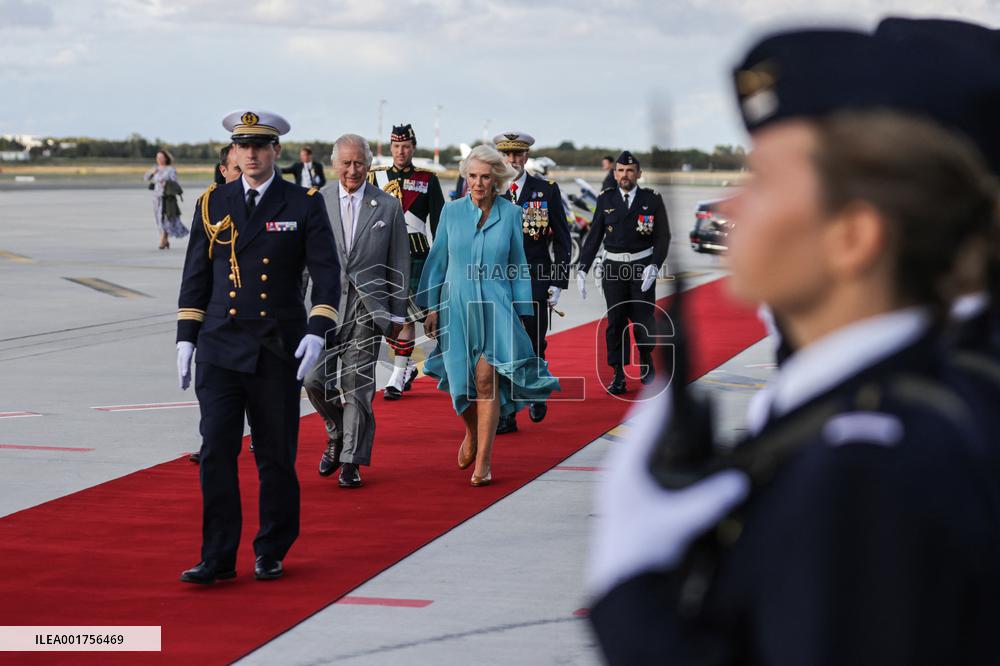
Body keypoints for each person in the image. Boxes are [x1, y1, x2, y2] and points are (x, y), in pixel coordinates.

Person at [586, 30, 1000, 664]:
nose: (737, 208)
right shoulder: (873, 409)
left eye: (765, 181)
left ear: (852, 236)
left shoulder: (866, 467)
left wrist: (630, 595)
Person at [175, 109, 342, 584]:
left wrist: (318, 328)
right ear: (233, 151)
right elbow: (196, 277)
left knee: (274, 455)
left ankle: (271, 547)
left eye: (258, 146)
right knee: (215, 451)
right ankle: (217, 556)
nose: (250, 154)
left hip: (275, 348)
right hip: (219, 346)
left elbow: (326, 274)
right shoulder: (213, 202)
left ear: (275, 151)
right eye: (242, 146)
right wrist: (186, 338)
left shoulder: (302, 203)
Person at [417, 144, 561, 486]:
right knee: (460, 386)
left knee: (486, 381)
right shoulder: (451, 212)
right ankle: (471, 431)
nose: (478, 183)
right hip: (456, 308)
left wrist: (523, 312)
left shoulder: (511, 214)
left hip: (496, 308)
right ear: (465, 178)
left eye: (484, 177)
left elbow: (518, 264)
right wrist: (431, 307)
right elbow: (437, 261)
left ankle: (483, 461)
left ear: (496, 179)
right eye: (472, 176)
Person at [303, 134, 409, 489]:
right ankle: (336, 432)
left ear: (368, 165)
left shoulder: (388, 206)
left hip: (367, 308)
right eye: (346, 163)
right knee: (312, 379)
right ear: (335, 164)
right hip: (324, 307)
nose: (352, 170)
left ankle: (351, 461)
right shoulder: (316, 202)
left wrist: (397, 314)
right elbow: (301, 263)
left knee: (357, 386)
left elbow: (399, 262)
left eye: (359, 163)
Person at [493, 131, 572, 432]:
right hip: (498, 280)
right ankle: (507, 413)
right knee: (502, 346)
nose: (512, 160)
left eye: (518, 154)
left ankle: (536, 389)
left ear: (526, 156)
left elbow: (562, 239)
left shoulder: (546, 190)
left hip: (536, 278)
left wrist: (558, 281)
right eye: (506, 154)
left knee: (534, 342)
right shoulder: (490, 187)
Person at [576, 151, 671, 394]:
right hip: (614, 269)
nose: (625, 174)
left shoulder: (652, 199)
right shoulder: (606, 199)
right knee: (615, 322)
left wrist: (654, 265)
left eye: (629, 170)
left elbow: (662, 237)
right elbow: (594, 236)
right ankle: (618, 373)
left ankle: (646, 358)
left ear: (638, 174)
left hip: (641, 268)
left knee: (643, 319)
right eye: (620, 170)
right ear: (615, 173)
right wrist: (582, 268)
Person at [366, 123, 445, 400]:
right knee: (384, 317)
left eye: (406, 146)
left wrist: (442, 260)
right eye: (397, 146)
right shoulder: (374, 177)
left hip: (415, 254)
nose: (401, 151)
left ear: (413, 148)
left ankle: (397, 376)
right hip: (382, 254)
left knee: (406, 317)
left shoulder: (428, 179)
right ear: (391, 148)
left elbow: (439, 225)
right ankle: (407, 365)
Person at [190, 142, 244, 465]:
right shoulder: (208, 206)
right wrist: (189, 330)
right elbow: (197, 270)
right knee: (211, 390)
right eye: (237, 169)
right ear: (223, 171)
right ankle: (210, 439)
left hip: (257, 316)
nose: (244, 173)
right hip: (218, 317)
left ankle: (258, 434)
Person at [144, 150, 189, 250]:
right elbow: (146, 178)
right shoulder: (155, 168)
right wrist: (152, 173)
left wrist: (167, 182)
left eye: (161, 157)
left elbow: (175, 181)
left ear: (166, 158)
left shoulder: (170, 170)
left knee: (166, 218)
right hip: (157, 198)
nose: (159, 159)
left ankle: (162, 240)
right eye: (157, 157)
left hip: (167, 198)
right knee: (159, 219)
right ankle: (165, 240)